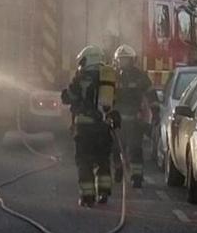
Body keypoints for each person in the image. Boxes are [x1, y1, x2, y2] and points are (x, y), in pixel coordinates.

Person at [61, 45, 118, 207]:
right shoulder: (109, 78)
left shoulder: (81, 77)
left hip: (84, 129)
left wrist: (65, 94)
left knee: (84, 161)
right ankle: (104, 193)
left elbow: (69, 97)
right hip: (104, 128)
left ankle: (87, 197)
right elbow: (115, 101)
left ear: (86, 60)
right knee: (103, 161)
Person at [111, 44, 154, 188]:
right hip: (116, 121)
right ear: (117, 61)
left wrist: (156, 112)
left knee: (135, 148)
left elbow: (151, 93)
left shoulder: (140, 76)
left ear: (132, 60)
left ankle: (137, 176)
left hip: (135, 120)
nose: (123, 63)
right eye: (121, 60)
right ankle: (118, 168)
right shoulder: (111, 76)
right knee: (116, 147)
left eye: (126, 60)